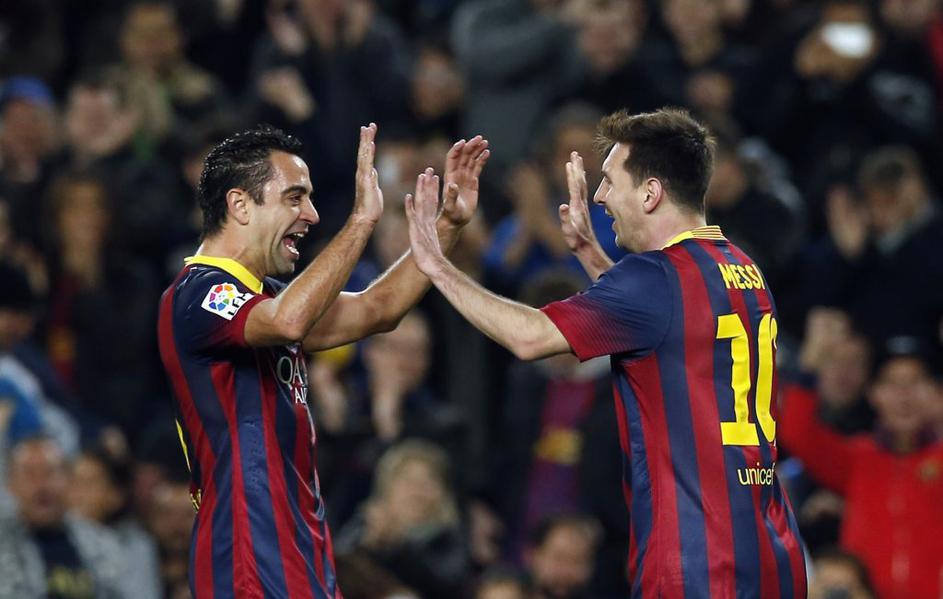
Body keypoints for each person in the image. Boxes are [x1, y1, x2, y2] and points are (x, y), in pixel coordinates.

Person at [405, 107, 808, 597]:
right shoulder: (741, 268)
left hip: (698, 561)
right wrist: (591, 255)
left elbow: (530, 337)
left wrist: (436, 263)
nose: (599, 196)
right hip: (771, 551)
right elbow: (663, 321)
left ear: (650, 193)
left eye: (610, 182)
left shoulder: (654, 279)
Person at [157, 123, 488, 598]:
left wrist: (447, 227)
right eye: (294, 198)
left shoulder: (266, 298)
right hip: (248, 555)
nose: (311, 214)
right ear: (240, 205)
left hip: (298, 549)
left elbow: (378, 309)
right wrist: (360, 222)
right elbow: (289, 321)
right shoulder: (199, 293)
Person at [0, 436, 127, 598]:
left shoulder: (103, 545)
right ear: (10, 485)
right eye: (30, 475)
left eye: (49, 473)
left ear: (69, 480)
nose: (41, 486)